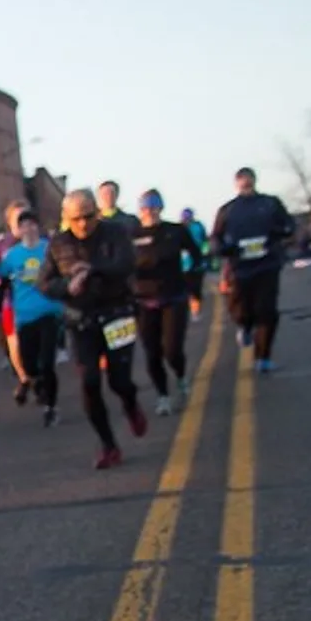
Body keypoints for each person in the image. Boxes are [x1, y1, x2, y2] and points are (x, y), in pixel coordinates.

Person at [38, 190, 149, 468]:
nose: (83, 224)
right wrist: (66, 286)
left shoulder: (115, 232)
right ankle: (109, 445)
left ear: (97, 212)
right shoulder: (58, 243)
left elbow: (126, 264)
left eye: (89, 216)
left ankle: (131, 404)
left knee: (119, 380)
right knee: (89, 383)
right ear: (66, 217)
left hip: (117, 314)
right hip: (81, 320)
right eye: (76, 218)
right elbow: (45, 283)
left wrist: (92, 270)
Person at [210, 167, 296, 372]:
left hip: (267, 265)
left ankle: (263, 357)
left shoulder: (270, 203)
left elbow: (288, 225)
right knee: (242, 310)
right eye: (242, 181)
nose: (246, 184)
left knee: (267, 311)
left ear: (255, 181)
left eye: (249, 180)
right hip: (240, 268)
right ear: (236, 184)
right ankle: (245, 327)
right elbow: (215, 237)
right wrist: (223, 249)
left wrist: (277, 234)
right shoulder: (228, 210)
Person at [130, 190, 204, 414]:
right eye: (145, 208)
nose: (149, 212)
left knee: (172, 349)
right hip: (144, 302)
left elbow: (197, 256)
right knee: (152, 352)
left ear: (160, 208)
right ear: (140, 210)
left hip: (173, 297)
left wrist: (192, 286)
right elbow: (121, 265)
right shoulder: (131, 235)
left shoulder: (175, 231)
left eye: (153, 207)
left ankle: (181, 377)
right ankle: (163, 396)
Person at [0, 210, 64, 426]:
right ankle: (38, 385)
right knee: (29, 364)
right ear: (19, 230)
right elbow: (1, 279)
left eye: (33, 224)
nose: (29, 229)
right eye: (24, 225)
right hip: (24, 315)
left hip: (49, 311)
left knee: (47, 362)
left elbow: (63, 273)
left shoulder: (49, 249)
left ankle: (50, 407)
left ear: (38, 227)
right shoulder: (12, 256)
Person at [179, 206, 211, 321]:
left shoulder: (198, 226)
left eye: (188, 217)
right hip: (181, 266)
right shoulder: (178, 229)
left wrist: (205, 254)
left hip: (197, 264)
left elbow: (205, 242)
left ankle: (195, 311)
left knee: (196, 289)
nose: (186, 220)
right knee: (182, 290)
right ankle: (186, 311)